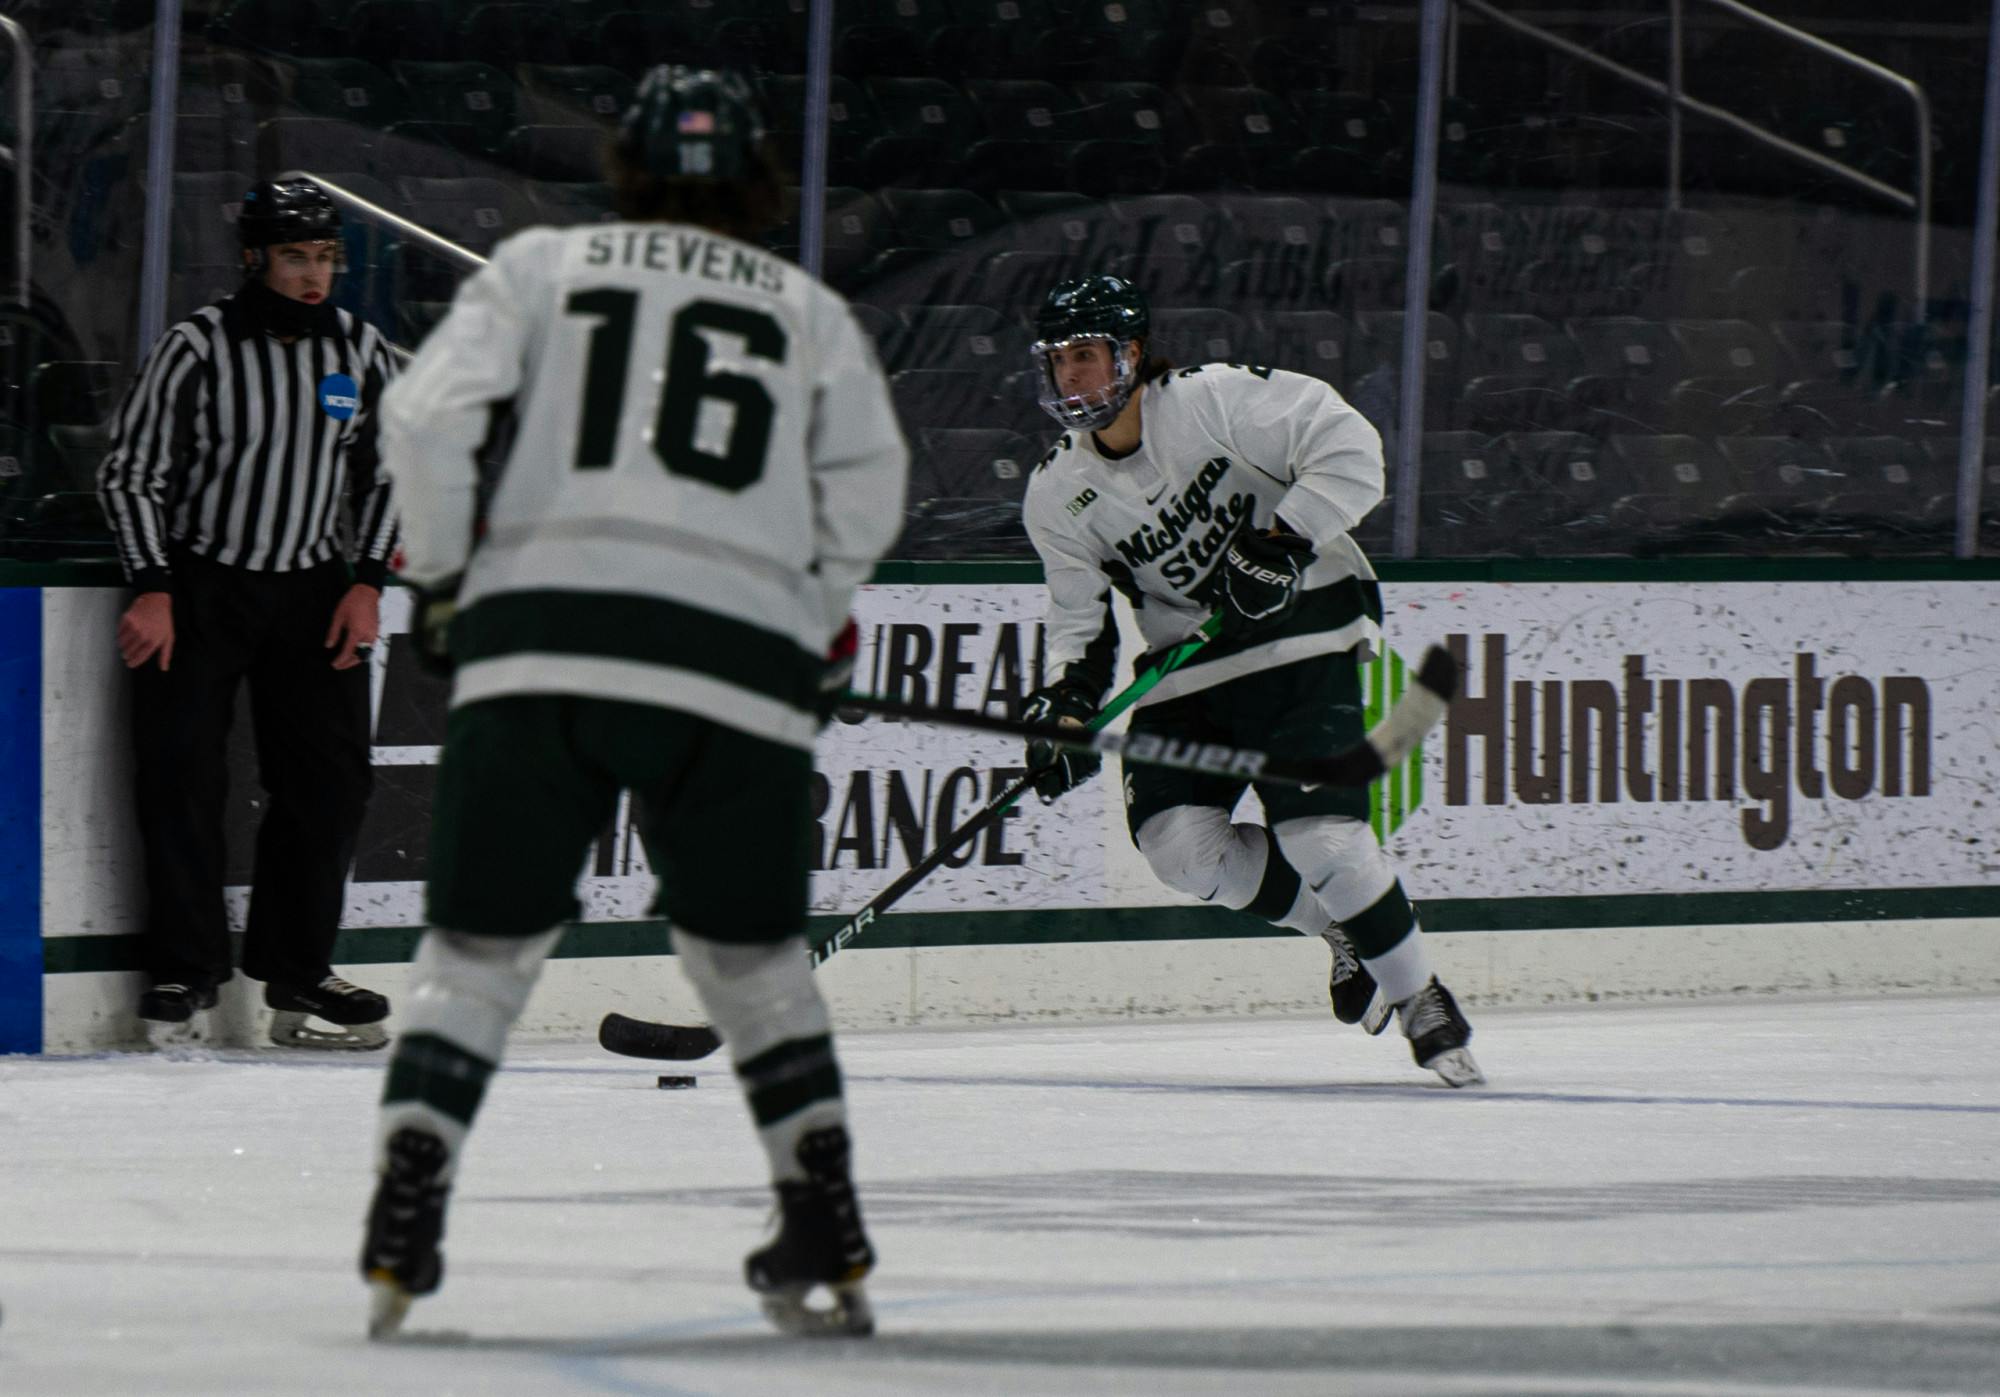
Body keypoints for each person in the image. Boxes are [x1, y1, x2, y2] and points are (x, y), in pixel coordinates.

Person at [358, 66, 908, 1339]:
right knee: (754, 963)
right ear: (756, 177)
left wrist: (445, 578)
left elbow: (424, 420)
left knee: (478, 957)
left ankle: (406, 1206)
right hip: (736, 664)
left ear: (628, 163)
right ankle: (823, 1217)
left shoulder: (543, 266)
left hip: (542, 639)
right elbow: (867, 491)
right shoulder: (812, 312)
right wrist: (810, 615)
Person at [1018, 274, 1482, 1088]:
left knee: (1321, 835)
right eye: (1059, 362)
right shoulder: (1058, 491)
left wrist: (1282, 541)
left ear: (1130, 354)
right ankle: (1342, 931)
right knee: (1178, 849)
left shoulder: (1213, 402)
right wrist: (1063, 705)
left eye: (1085, 357)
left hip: (1304, 633)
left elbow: (1352, 449)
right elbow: (1078, 623)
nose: (1072, 379)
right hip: (1190, 667)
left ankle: (1420, 999)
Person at [97, 177, 399, 1051]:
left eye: (327, 258)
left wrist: (367, 581)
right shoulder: (197, 347)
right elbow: (131, 472)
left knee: (332, 780)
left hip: (314, 587)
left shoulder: (359, 350)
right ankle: (187, 970)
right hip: (200, 582)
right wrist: (152, 585)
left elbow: (393, 473)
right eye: (297, 257)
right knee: (182, 775)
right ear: (256, 258)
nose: (315, 275)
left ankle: (298, 971)